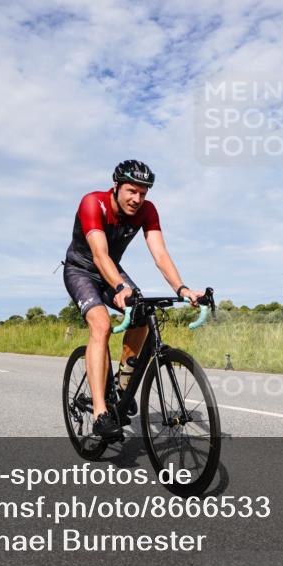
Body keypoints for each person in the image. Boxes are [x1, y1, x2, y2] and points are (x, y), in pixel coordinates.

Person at [63, 160, 204, 440]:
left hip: (112, 271)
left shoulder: (147, 211)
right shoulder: (93, 203)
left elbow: (160, 255)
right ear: (116, 186)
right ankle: (101, 414)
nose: (137, 199)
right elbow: (100, 255)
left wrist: (182, 289)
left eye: (143, 193)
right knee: (101, 325)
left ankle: (122, 384)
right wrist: (119, 286)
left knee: (142, 315)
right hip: (82, 270)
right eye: (131, 191)